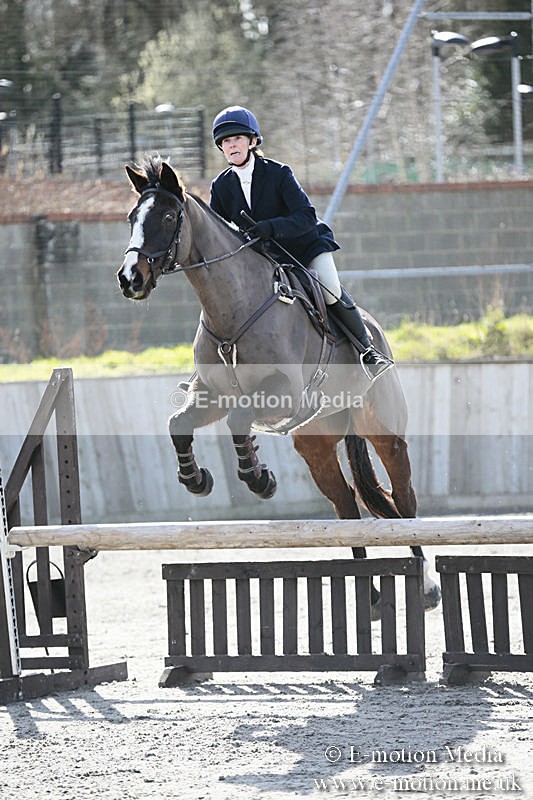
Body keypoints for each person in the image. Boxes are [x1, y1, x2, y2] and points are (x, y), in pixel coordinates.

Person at [209, 105, 393, 380]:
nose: (231, 145)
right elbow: (218, 231)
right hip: (264, 258)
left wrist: (271, 227)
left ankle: (368, 351)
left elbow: (306, 216)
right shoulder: (220, 186)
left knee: (329, 290)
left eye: (237, 138)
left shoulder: (279, 173)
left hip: (304, 247)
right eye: (225, 142)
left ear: (252, 141)